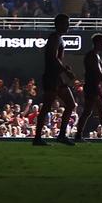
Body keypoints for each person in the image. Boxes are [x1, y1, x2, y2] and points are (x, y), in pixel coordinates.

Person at [33, 13, 77, 146]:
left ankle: (60, 135)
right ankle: (40, 137)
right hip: (52, 77)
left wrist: (64, 69)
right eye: (66, 23)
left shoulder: (58, 38)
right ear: (59, 24)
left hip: (55, 77)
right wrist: (65, 70)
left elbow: (55, 58)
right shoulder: (55, 38)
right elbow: (53, 57)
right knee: (48, 107)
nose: (68, 26)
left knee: (70, 104)